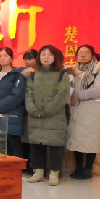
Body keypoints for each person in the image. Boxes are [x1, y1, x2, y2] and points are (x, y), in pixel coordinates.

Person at [25, 45, 71, 186]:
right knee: (36, 144)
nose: (46, 57)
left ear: (55, 57)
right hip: (35, 116)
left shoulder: (62, 74)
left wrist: (47, 111)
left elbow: (62, 95)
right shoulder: (33, 74)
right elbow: (28, 94)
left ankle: (54, 173)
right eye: (43, 54)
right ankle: (38, 173)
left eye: (50, 55)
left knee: (56, 145)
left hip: (54, 116)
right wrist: (33, 109)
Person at [67, 44, 100, 180]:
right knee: (76, 139)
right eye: (80, 53)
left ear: (92, 55)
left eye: (86, 52)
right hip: (76, 109)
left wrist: (77, 95)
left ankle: (88, 169)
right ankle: (78, 167)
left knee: (91, 140)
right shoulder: (72, 70)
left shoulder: (99, 70)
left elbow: (98, 90)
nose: (83, 55)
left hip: (92, 110)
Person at [0, 47, 26, 161]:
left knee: (14, 147)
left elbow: (16, 96)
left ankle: (17, 169)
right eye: (0, 56)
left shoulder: (18, 75)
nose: (2, 58)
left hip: (12, 116)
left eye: (6, 56)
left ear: (11, 58)